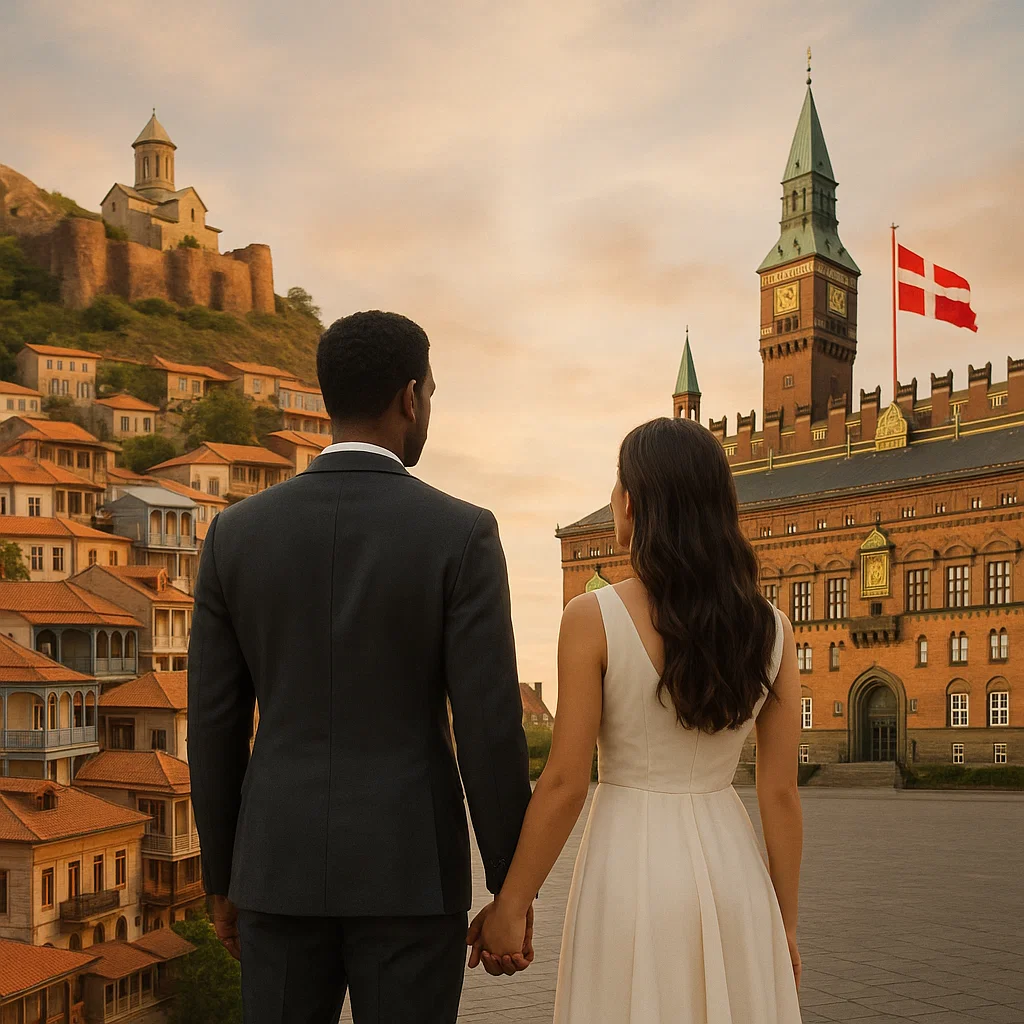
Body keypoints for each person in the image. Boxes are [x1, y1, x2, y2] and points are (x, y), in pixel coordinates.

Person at [188, 310, 533, 1024]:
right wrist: (510, 887)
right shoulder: (462, 534)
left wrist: (222, 878)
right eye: (429, 393)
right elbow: (490, 728)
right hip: (411, 876)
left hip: (275, 872)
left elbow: (214, 725)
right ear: (410, 398)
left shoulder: (233, 536)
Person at [468, 415, 804, 1022]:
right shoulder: (773, 630)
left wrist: (511, 904)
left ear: (632, 503)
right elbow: (780, 793)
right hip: (734, 872)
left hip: (629, 865)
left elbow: (566, 782)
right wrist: (785, 925)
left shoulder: (592, 616)